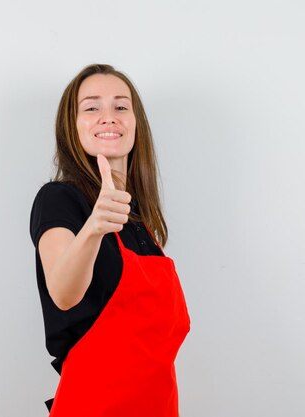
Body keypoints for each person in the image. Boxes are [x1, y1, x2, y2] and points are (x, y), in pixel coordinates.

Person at [29, 63, 191, 417]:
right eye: (91, 107)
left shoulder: (140, 223)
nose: (109, 117)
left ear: (136, 123)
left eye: (121, 106)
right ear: (71, 127)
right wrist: (94, 226)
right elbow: (63, 293)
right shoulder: (60, 199)